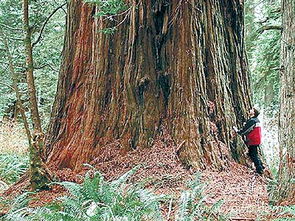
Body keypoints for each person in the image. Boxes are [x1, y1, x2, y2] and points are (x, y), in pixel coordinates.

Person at [233, 108, 264, 174]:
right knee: (253, 153)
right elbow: (250, 127)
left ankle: (259, 169)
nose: (250, 110)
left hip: (254, 140)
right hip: (256, 139)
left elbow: (245, 130)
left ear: (254, 113)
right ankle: (261, 166)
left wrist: (238, 131)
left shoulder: (253, 121)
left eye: (252, 110)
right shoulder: (255, 120)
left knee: (253, 154)